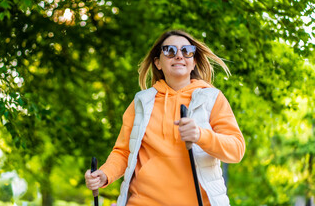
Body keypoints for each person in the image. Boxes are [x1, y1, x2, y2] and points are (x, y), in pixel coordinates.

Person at [85, 29, 245, 206]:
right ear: (158, 63)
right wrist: (104, 174)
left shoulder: (212, 98)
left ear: (193, 63)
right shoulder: (141, 102)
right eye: (169, 50)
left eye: (187, 51)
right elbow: (123, 152)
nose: (178, 55)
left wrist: (200, 135)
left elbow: (236, 149)